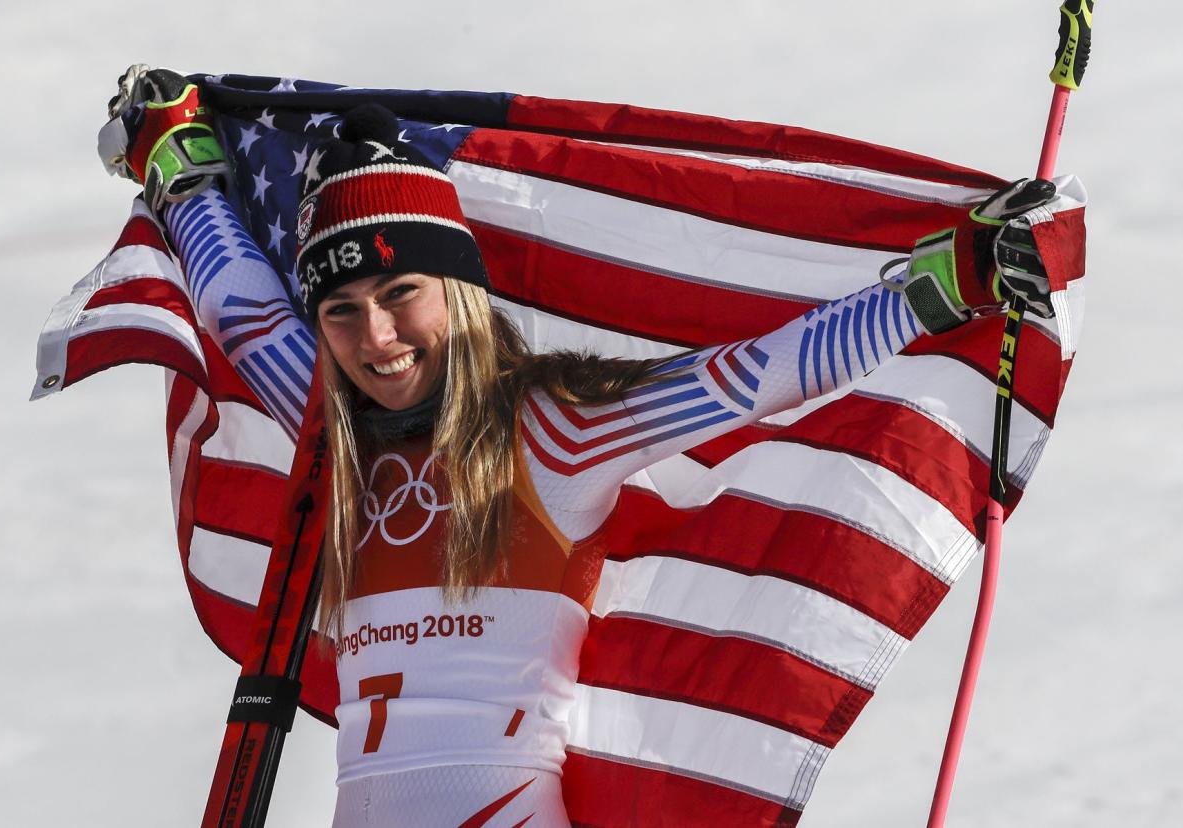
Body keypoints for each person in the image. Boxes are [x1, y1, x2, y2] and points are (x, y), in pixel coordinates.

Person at [101, 67, 1079, 827]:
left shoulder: (554, 430)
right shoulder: (331, 431)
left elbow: (755, 374)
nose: (377, 337)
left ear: (461, 298)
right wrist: (177, 162)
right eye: (344, 311)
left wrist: (956, 277)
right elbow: (242, 314)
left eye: (403, 298)